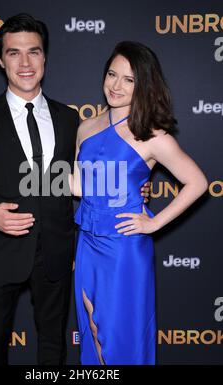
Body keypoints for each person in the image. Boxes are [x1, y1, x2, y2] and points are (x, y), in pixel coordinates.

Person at [0, 13, 150, 365]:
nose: (25, 63)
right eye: (14, 53)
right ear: (1, 60)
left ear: (45, 57)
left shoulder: (70, 119)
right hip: (0, 253)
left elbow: (85, 177)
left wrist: (131, 188)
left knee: (54, 348)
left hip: (58, 252)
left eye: (34, 52)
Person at [70, 41, 208, 365]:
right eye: (112, 74)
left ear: (143, 84)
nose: (116, 85)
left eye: (128, 79)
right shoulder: (86, 127)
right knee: (91, 327)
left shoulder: (153, 136)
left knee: (119, 337)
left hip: (124, 248)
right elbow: (77, 185)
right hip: (87, 241)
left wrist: (154, 222)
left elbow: (198, 182)